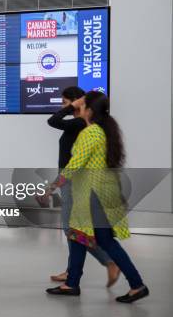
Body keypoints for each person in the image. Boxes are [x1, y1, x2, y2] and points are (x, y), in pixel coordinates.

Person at [46, 91, 149, 303]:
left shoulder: (91, 133)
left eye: (80, 104)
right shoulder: (99, 130)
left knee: (105, 242)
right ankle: (71, 283)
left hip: (94, 197)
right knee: (77, 236)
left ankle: (137, 285)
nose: (77, 107)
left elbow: (75, 164)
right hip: (92, 194)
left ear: (89, 110)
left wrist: (52, 186)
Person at [45, 86, 120, 286]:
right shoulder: (79, 124)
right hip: (69, 178)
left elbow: (52, 121)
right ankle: (72, 271)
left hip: (72, 179)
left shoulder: (79, 123)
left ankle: (109, 261)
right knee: (73, 228)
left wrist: (72, 107)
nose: (62, 106)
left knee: (71, 228)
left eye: (64, 102)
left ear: (77, 102)